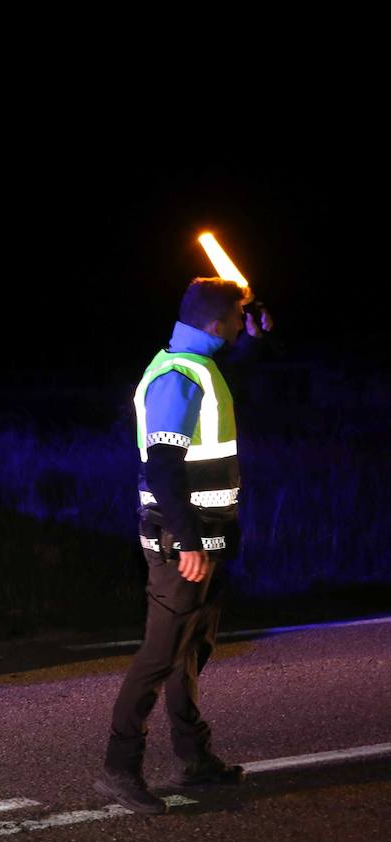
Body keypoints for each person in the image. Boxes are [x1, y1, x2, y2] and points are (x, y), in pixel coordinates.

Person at [94, 277, 274, 814]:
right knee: (158, 657)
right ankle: (119, 769)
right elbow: (163, 466)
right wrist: (190, 542)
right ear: (217, 324)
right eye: (240, 319)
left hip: (207, 541)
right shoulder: (175, 378)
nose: (244, 327)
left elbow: (239, 363)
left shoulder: (200, 365)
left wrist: (258, 332)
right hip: (181, 543)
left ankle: (195, 760)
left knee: (189, 654)